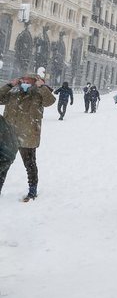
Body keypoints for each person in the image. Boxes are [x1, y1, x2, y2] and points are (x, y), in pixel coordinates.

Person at [0, 71, 55, 201]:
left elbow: (50, 101)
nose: (25, 83)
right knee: (3, 164)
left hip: (28, 135)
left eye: (28, 81)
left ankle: (32, 191)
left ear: (34, 82)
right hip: (9, 136)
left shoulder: (39, 94)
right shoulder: (12, 92)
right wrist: (9, 85)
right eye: (23, 81)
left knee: (29, 165)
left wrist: (42, 87)